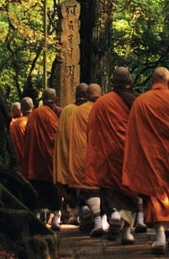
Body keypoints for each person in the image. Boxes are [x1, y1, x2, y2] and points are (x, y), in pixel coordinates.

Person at [122, 67, 169, 254]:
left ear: (151, 80)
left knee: (155, 194)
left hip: (150, 155)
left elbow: (133, 134)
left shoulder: (141, 102)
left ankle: (161, 237)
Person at [84, 67, 142, 245]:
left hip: (109, 154)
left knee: (110, 191)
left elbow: (92, 131)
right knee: (131, 193)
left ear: (111, 82)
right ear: (130, 82)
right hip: (131, 154)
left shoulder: (102, 103)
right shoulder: (139, 101)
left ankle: (115, 214)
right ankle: (127, 233)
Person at [65, 83, 103, 236]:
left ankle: (93, 217)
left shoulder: (76, 112)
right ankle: (104, 220)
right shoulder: (106, 108)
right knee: (102, 190)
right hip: (101, 156)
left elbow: (69, 136)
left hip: (81, 157)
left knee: (86, 190)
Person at [23, 88, 63, 231]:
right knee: (53, 189)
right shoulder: (57, 112)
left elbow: (28, 137)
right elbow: (58, 135)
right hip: (51, 158)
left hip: (35, 160)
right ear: (56, 98)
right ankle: (56, 219)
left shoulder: (35, 114)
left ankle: (41, 216)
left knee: (40, 189)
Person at [53, 83, 89, 227]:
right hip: (86, 155)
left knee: (72, 187)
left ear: (75, 94)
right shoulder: (90, 110)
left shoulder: (67, 110)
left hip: (69, 155)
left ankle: (78, 214)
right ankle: (87, 213)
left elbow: (61, 138)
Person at [10, 98, 33, 174]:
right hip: (34, 162)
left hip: (19, 162)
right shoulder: (35, 121)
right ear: (33, 107)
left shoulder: (13, 124)